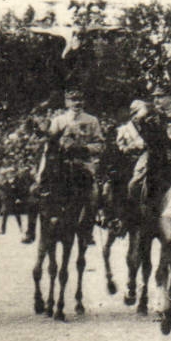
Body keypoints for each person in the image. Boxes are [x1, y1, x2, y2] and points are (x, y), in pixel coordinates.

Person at [27, 87, 105, 243]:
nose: (77, 103)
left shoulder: (91, 120)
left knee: (94, 194)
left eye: (80, 99)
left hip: (82, 163)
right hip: (60, 163)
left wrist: (83, 148)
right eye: (73, 100)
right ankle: (30, 230)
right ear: (67, 102)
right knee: (35, 189)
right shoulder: (59, 120)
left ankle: (87, 230)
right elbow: (48, 142)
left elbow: (100, 145)